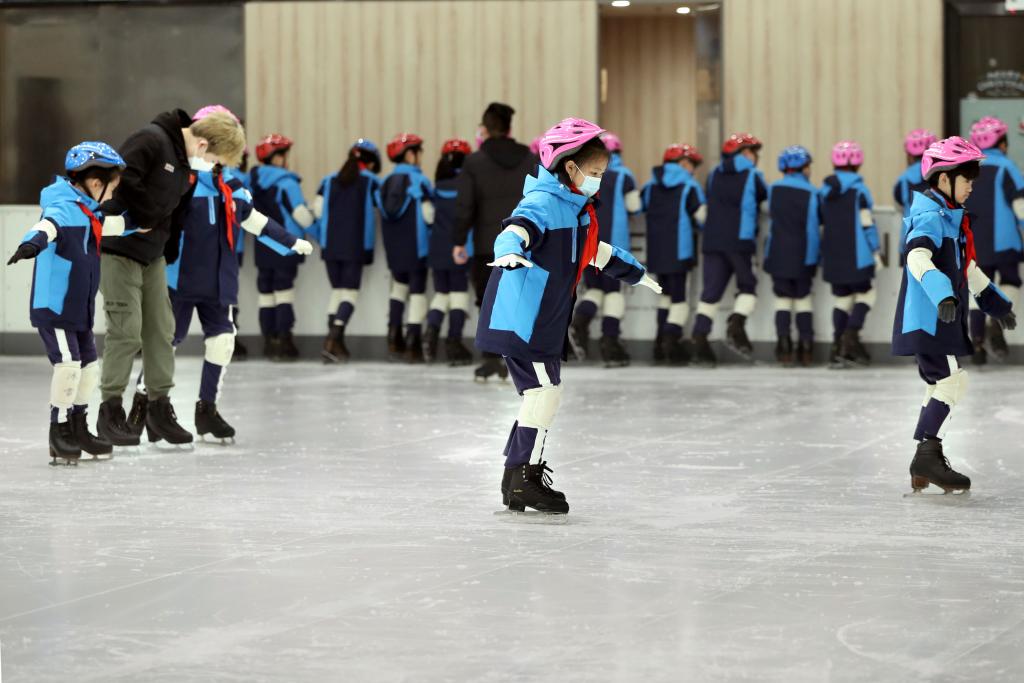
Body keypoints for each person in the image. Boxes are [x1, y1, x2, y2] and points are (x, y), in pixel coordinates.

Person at [476, 118, 662, 515]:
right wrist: (510, 251)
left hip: (543, 319)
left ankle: (515, 478)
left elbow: (594, 252)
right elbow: (517, 229)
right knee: (544, 393)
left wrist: (637, 273)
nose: (598, 180)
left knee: (540, 394)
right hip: (523, 319)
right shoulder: (543, 202)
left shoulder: (575, 209)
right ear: (569, 166)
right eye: (594, 172)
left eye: (602, 173)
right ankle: (525, 477)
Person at [168, 112, 312, 440]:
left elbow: (253, 220)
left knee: (222, 341)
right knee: (167, 342)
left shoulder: (230, 185)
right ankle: (149, 405)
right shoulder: (179, 181)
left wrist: (290, 242)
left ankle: (207, 410)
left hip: (220, 279)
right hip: (179, 277)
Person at [892, 136, 1016, 493]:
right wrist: (942, 293)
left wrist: (998, 305)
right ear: (944, 179)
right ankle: (927, 455)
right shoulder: (930, 215)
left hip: (939, 318)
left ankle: (924, 458)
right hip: (929, 318)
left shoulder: (950, 218)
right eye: (967, 180)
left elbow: (968, 269)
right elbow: (917, 257)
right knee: (953, 381)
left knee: (939, 384)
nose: (971, 187)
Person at [7, 142, 127, 464]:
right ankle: (59, 430)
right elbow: (47, 226)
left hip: (79, 307)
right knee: (69, 365)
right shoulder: (62, 205)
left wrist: (147, 224)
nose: (113, 196)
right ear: (96, 184)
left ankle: (78, 426)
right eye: (112, 189)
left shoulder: (89, 212)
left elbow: (115, 226)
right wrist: (31, 244)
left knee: (89, 366)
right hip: (56, 306)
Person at [95, 109, 205, 448]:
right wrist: (145, 215)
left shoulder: (186, 165)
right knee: (126, 331)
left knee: (161, 330)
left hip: (152, 254)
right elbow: (123, 178)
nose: (211, 163)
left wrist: (169, 242)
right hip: (119, 250)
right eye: (212, 155)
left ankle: (159, 408)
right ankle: (110, 410)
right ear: (203, 141)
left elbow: (175, 210)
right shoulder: (151, 139)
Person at [451, 102, 536, 380]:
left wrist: (459, 240)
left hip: (488, 245)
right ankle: (519, 359)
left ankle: (491, 359)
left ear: (485, 129)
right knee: (520, 301)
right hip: (523, 244)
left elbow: (465, 205)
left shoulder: (474, 162)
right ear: (509, 128)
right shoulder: (530, 159)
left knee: (488, 301)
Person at [691, 133, 767, 366]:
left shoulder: (714, 174)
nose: (755, 157)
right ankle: (736, 324)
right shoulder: (753, 175)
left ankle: (700, 338)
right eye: (753, 152)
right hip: (740, 240)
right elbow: (765, 199)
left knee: (710, 293)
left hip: (712, 240)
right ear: (745, 153)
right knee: (748, 286)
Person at [568, 132, 642, 367]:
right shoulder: (623, 175)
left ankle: (579, 324)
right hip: (614, 244)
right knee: (613, 292)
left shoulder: (584, 173)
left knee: (594, 288)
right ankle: (610, 342)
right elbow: (635, 206)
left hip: (588, 240)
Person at [312, 138, 382, 363]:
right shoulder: (371, 181)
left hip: (330, 246)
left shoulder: (328, 180)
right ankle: (332, 338)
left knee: (337, 292)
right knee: (349, 293)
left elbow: (316, 211)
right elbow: (386, 208)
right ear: (371, 163)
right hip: (355, 245)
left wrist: (321, 236)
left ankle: (335, 344)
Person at [250, 133, 316, 361]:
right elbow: (301, 215)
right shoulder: (287, 183)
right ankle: (285, 343)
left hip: (262, 244)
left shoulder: (252, 183)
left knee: (266, 293)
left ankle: (269, 343)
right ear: (277, 157)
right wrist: (319, 228)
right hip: (286, 245)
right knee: (284, 291)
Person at [964, 116, 1024, 364]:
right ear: (1002, 144)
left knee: (978, 288)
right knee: (1011, 280)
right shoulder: (1006, 167)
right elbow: (1020, 205)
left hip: (972, 242)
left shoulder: (965, 169)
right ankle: (996, 323)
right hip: (1005, 240)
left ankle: (977, 344)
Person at [642, 143, 706, 365]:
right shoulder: (690, 186)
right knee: (679, 298)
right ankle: (672, 340)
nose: (693, 170)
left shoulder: (650, 186)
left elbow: (638, 207)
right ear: (684, 163)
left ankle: (659, 343)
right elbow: (702, 217)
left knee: (665, 296)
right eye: (692, 164)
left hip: (657, 250)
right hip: (680, 250)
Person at [820, 140, 882, 368]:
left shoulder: (823, 191)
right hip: (859, 254)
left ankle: (837, 347)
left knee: (842, 298)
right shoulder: (859, 190)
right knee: (867, 294)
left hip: (832, 254)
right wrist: (875, 250)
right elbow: (867, 224)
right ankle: (851, 335)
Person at [376, 133, 434, 363]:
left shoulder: (384, 183)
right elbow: (429, 215)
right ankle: (413, 342)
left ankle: (393, 337)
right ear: (410, 154)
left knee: (398, 289)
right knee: (417, 292)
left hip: (394, 248)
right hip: (417, 247)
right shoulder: (419, 181)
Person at [764, 145, 820, 367]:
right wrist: (813, 258)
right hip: (802, 254)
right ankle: (806, 347)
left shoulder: (773, 189)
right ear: (802, 167)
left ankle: (783, 345)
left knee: (782, 300)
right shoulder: (812, 192)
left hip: (777, 253)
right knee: (803, 299)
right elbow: (812, 229)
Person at [425, 138, 475, 365]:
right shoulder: (468, 186)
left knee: (441, 294)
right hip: (460, 248)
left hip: (437, 248)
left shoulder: (436, 188)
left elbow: (428, 217)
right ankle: (454, 342)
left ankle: (430, 334)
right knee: (458, 295)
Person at [893, 129, 937, 258]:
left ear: (909, 155)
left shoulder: (903, 180)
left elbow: (899, 206)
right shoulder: (941, 175)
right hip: (939, 241)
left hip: (910, 241)